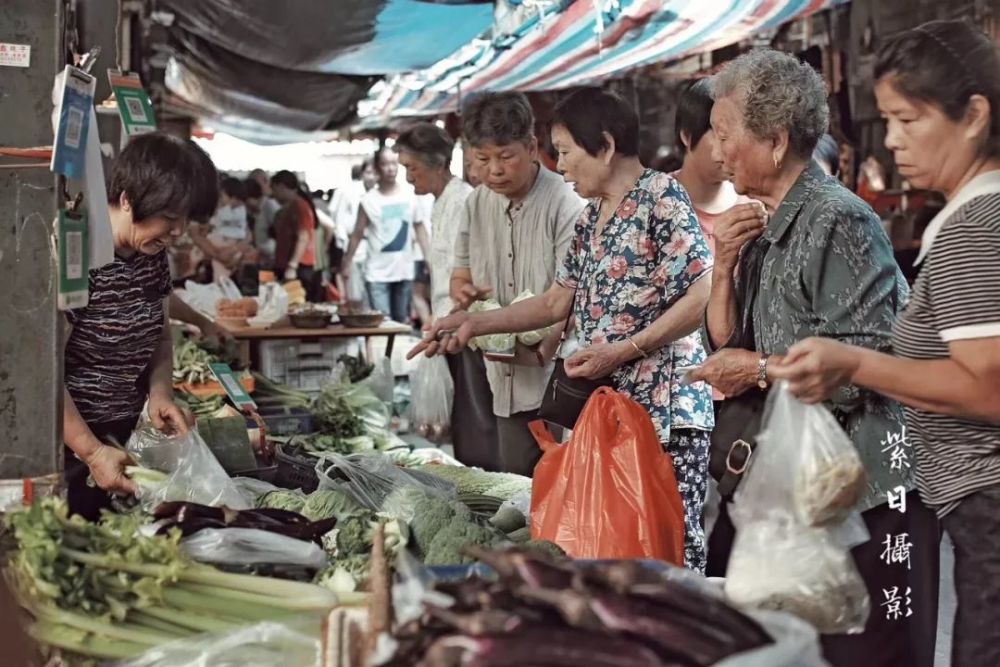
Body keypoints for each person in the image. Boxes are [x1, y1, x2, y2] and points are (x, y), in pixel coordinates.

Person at [687, 49, 937, 666]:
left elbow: (874, 355)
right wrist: (722, 268)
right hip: (811, 484)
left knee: (879, 646)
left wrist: (760, 369)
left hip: (874, 485)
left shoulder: (839, 219)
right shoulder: (761, 224)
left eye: (724, 135)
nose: (715, 153)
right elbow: (726, 341)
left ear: (774, 140)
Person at [770, 20, 1000, 667]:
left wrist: (857, 361)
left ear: (974, 115)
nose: (891, 140)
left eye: (908, 119)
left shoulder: (972, 226)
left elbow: (988, 386)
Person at [412, 89, 717, 571]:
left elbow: (702, 290)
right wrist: (472, 322)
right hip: (610, 408)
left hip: (664, 409)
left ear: (607, 146)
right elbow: (555, 301)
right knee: (617, 542)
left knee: (669, 540)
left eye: (568, 152)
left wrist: (625, 350)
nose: (562, 166)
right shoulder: (593, 215)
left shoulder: (661, 196)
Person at [63, 132, 217, 520]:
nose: (178, 232)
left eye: (184, 220)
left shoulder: (151, 254)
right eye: (169, 217)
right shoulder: (79, 256)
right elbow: (40, 371)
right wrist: (92, 451)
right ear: (128, 199)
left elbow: (160, 334)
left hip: (125, 436)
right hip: (73, 447)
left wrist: (160, 394)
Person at [395, 122, 500, 468]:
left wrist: (448, 316)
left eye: (412, 168)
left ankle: (487, 486)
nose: (409, 177)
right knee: (462, 419)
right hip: (447, 324)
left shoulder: (463, 202)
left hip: (465, 325)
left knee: (475, 418)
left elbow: (473, 273)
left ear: (438, 163)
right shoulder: (440, 203)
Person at [342, 147, 430, 323]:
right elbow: (357, 233)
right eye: (385, 164)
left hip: (403, 270)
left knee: (400, 322)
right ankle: (382, 352)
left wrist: (429, 258)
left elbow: (419, 227)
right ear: (376, 167)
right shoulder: (368, 200)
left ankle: (396, 352)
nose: (390, 168)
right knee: (382, 323)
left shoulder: (410, 195)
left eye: (393, 163)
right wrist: (346, 262)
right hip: (376, 273)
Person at [672, 78, 756, 256]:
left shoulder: (753, 204)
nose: (729, 148)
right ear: (687, 136)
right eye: (721, 135)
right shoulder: (654, 204)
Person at [270, 170, 322, 302]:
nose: (273, 194)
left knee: (295, 302)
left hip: (299, 267)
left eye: (274, 189)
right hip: (290, 264)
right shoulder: (291, 207)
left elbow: (303, 237)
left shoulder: (300, 207)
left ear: (281, 186)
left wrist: (292, 265)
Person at [333, 160, 376, 305]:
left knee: (373, 293)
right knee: (355, 294)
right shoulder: (349, 192)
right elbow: (338, 220)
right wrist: (344, 246)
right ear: (362, 174)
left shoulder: (381, 194)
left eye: (375, 173)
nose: (372, 177)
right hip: (355, 246)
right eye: (368, 173)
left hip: (376, 248)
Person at [249, 168, 281, 262]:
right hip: (260, 253)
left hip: (269, 254)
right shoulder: (258, 203)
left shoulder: (271, 203)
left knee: (267, 276)